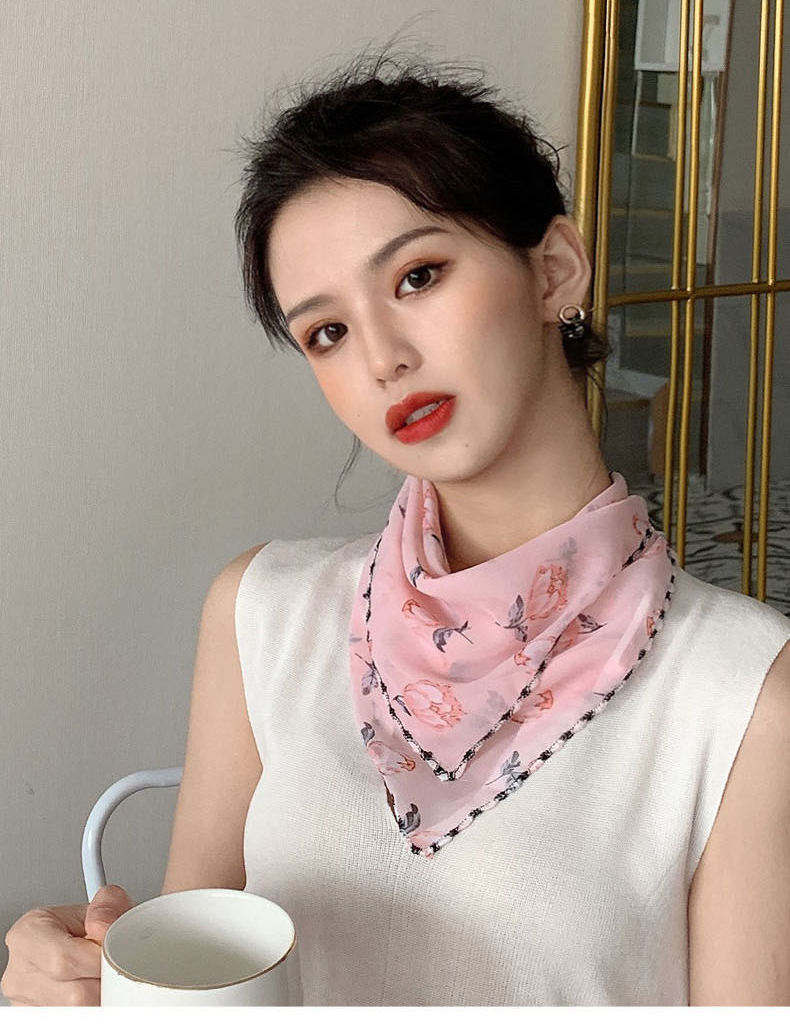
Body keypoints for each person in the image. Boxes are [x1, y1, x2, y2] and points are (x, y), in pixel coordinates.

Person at [4, 57, 790, 1007]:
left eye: (418, 276)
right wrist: (78, 991)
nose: (382, 357)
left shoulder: (742, 692)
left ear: (555, 270)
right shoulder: (262, 615)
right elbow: (187, 999)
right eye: (327, 332)